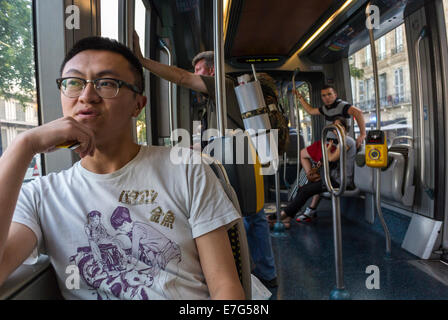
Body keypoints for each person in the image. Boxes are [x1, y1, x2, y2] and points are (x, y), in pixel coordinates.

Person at [0, 36, 245, 300]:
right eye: (73, 82)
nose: (86, 96)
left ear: (138, 105)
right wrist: (23, 146)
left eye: (106, 83)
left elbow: (225, 286)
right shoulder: (40, 197)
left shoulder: (185, 169)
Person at [133, 32, 244, 143]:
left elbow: (182, 78)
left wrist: (143, 61)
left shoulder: (224, 84)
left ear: (212, 70)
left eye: (198, 70)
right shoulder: (213, 98)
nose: (195, 75)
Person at [279, 117, 357, 228]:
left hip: (340, 181)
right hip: (334, 178)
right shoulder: (341, 141)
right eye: (335, 128)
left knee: (305, 191)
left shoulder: (347, 141)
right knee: (304, 189)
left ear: (345, 128)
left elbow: (331, 158)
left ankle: (284, 215)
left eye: (340, 126)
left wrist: (327, 149)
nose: (336, 130)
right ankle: (287, 217)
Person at [295, 85, 366, 148]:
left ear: (335, 95)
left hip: (338, 144)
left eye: (329, 94)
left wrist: (362, 134)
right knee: (304, 154)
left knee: (305, 154)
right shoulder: (325, 109)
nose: (327, 97)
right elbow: (310, 111)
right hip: (328, 143)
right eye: (324, 95)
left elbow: (358, 113)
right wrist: (300, 98)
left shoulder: (342, 106)